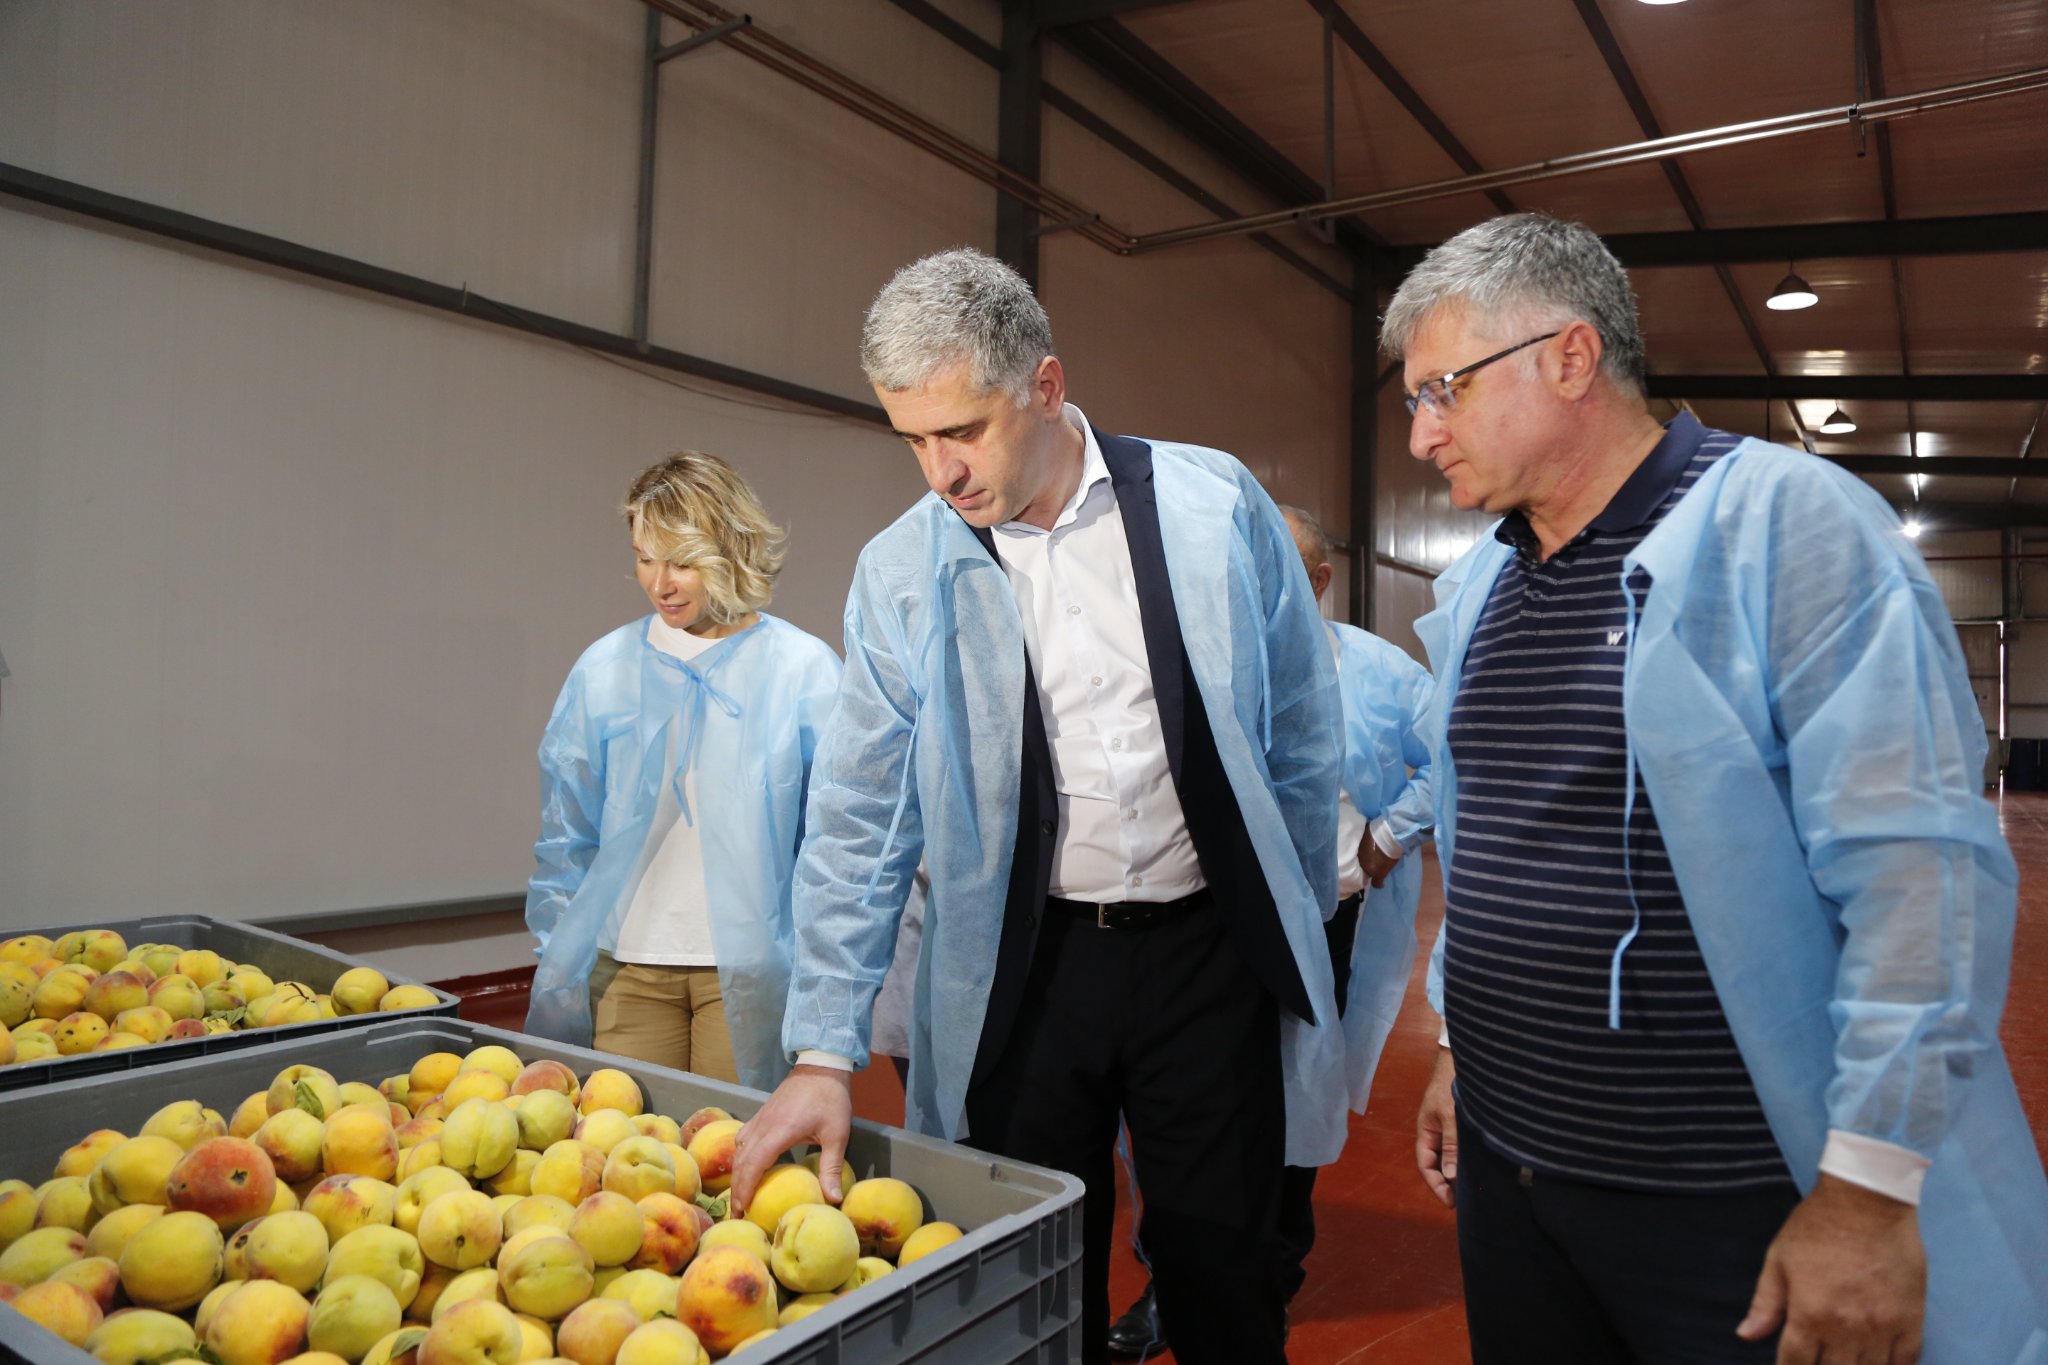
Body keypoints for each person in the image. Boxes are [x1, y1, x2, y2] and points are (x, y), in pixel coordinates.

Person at [1393, 213, 2047, 1363]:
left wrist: (1865, 1193)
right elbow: (1490, 843)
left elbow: (1918, 877)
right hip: (1513, 1177)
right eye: (1412, 401)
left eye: (1441, 390)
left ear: (1568, 357)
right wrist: (1457, 1046)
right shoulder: (1486, 590)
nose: (1419, 434)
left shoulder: (1782, 527)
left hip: (1721, 1200)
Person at [730, 247, 1347, 1365]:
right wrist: (822, 1049)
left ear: (1046, 387)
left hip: (1207, 958)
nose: (940, 472)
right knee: (1024, 1275)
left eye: (962, 431)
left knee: (1223, 1270)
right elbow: (860, 817)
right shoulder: (903, 572)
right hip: (1023, 973)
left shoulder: (1209, 504)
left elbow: (1301, 730)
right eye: (912, 439)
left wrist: (1287, 923)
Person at [1105, 505, 1437, 1358]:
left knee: (1296, 1098)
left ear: (1319, 581)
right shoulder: (1192, 660)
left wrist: (1392, 831)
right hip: (1207, 917)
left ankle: (1274, 1273)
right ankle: (1173, 1280)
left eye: (1276, 570)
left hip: (1328, 917)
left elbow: (1457, 746)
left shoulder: (1377, 671)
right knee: (1190, 1104)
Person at [522, 452, 841, 1091]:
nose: (660, 583)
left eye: (683, 562)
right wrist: (560, 952)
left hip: (752, 971)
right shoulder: (605, 668)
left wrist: (823, 979)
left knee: (741, 1143)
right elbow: (567, 834)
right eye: (645, 558)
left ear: (732, 549)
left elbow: (834, 845)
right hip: (627, 965)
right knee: (628, 1142)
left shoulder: (803, 671)